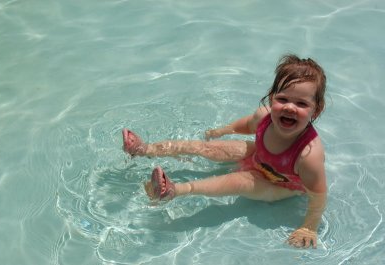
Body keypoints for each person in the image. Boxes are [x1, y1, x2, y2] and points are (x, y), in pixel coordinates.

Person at [122, 54, 327, 249]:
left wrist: (309, 227)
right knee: (205, 147)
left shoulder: (308, 155)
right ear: (272, 98)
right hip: (258, 156)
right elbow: (245, 126)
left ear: (315, 110)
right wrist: (221, 131)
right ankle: (143, 149)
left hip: (280, 184)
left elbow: (318, 195)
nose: (290, 107)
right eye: (283, 99)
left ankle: (174, 190)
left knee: (241, 180)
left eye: (301, 103)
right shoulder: (264, 117)